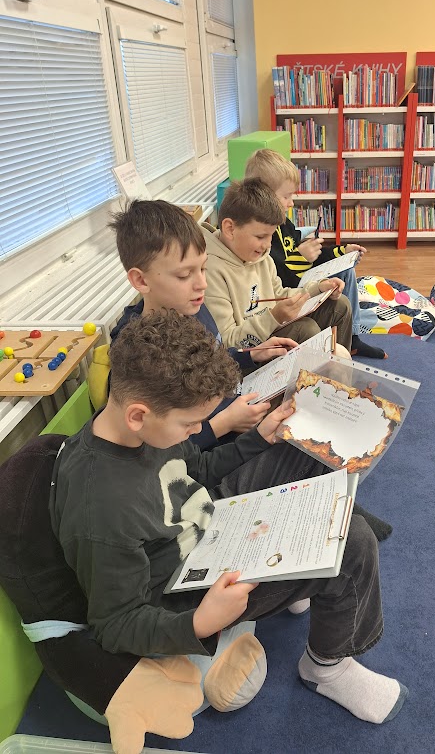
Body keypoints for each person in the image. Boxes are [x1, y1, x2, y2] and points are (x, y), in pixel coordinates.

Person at [49, 311, 408, 725]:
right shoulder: (102, 510)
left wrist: (259, 438)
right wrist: (200, 622)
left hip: (212, 516)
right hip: (186, 586)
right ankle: (327, 667)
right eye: (190, 423)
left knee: (309, 441)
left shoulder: (137, 427)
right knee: (353, 544)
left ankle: (305, 571)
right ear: (138, 414)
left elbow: (193, 470)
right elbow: (115, 624)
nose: (198, 430)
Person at [108, 199, 298, 451]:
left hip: (238, 405)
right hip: (216, 446)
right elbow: (158, 448)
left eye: (203, 269)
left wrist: (250, 355)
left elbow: (208, 360)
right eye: (184, 275)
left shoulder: (191, 307)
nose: (202, 284)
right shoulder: (136, 352)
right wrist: (224, 424)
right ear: (141, 280)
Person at [244, 149, 387, 360]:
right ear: (264, 196)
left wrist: (341, 251)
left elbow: (311, 256)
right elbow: (280, 283)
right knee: (332, 304)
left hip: (300, 282)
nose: (291, 203)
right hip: (290, 292)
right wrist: (301, 258)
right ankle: (336, 348)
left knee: (346, 269)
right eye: (286, 196)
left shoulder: (284, 225)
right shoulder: (260, 238)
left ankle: (352, 338)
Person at [202, 178, 353, 351]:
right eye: (260, 237)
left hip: (271, 325)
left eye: (271, 236)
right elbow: (227, 343)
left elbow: (279, 294)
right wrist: (273, 318)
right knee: (306, 329)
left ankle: (337, 364)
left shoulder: (261, 256)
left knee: (339, 305)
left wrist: (317, 289)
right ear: (230, 228)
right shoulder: (209, 270)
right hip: (248, 352)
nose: (267, 245)